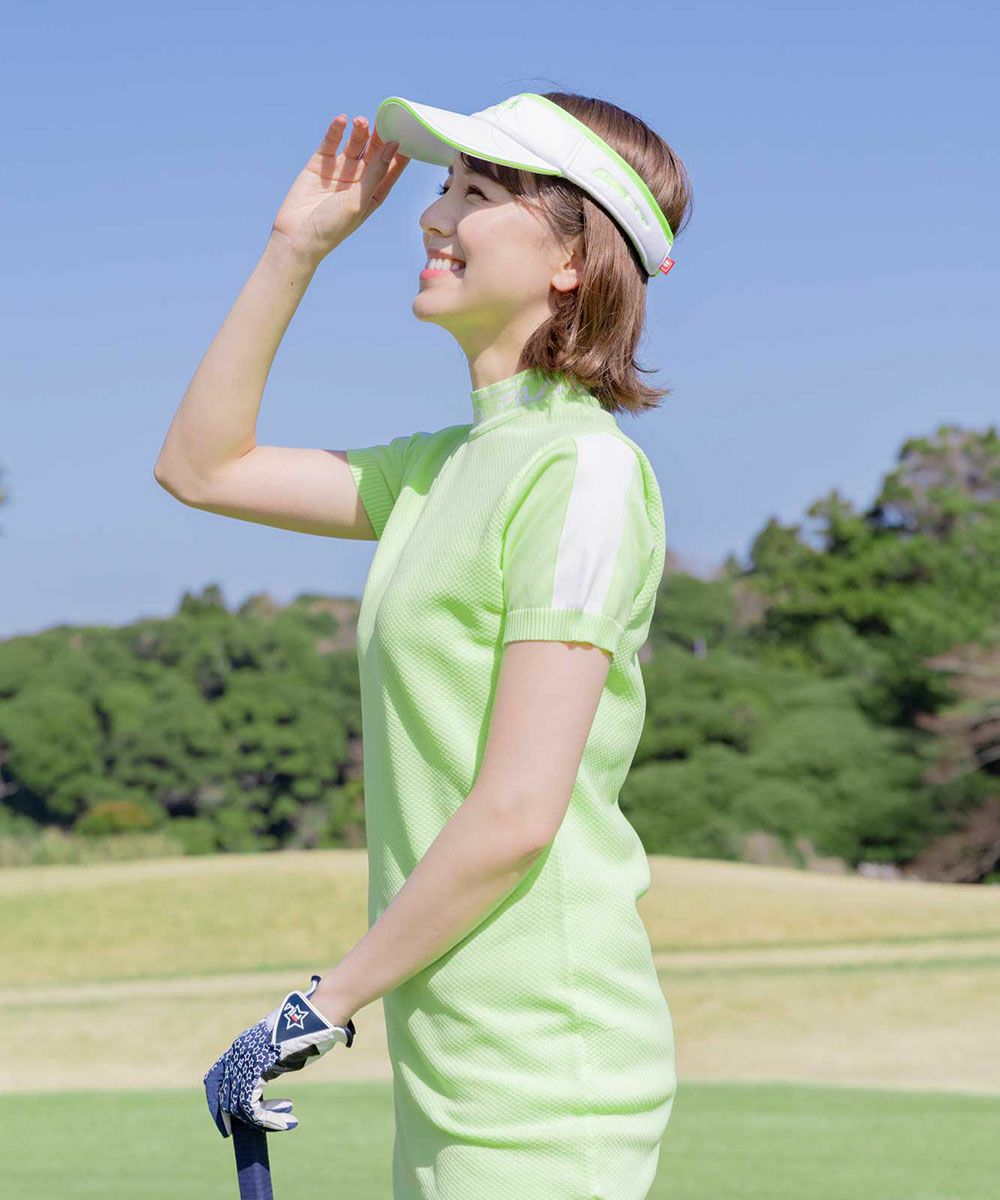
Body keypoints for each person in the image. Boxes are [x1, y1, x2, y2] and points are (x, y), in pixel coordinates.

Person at [158, 89, 692, 1200]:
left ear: (573, 258)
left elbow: (518, 810)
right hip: (454, 1061)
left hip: (547, 1071)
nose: (433, 214)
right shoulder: (441, 468)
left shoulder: (583, 473)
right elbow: (201, 469)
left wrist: (320, 1006)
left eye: (476, 192)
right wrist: (294, 249)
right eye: (445, 186)